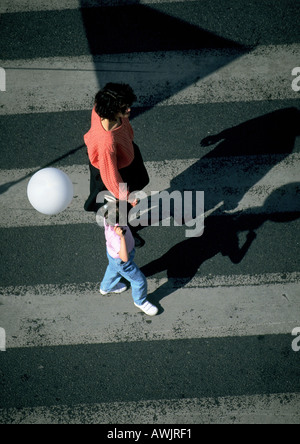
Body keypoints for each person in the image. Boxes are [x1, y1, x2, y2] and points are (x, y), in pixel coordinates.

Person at [83, 82, 149, 214]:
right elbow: (110, 176)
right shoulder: (107, 142)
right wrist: (126, 196)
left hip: (124, 154)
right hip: (118, 169)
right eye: (124, 108)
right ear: (112, 110)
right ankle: (120, 228)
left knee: (141, 180)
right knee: (117, 207)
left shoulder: (100, 109)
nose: (129, 109)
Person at [100, 201, 158, 316]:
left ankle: (105, 288)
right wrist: (122, 237)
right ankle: (140, 301)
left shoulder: (108, 217)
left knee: (112, 269)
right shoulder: (116, 238)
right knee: (139, 281)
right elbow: (124, 258)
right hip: (122, 261)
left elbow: (111, 205)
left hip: (112, 255)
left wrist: (130, 203)